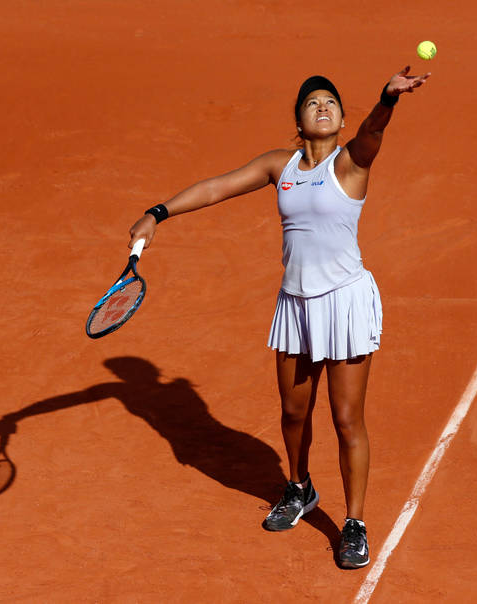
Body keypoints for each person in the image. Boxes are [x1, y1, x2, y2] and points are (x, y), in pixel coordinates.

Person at [127, 66, 430, 569]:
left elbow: (373, 132)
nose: (323, 106)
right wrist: (157, 213)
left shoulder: (351, 162)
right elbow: (217, 188)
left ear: (340, 120)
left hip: (344, 302)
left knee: (346, 418)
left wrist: (387, 99)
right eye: (313, 102)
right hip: (295, 304)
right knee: (294, 414)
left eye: (331, 101)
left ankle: (354, 522)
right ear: (299, 120)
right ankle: (299, 487)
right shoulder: (279, 165)